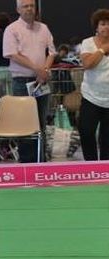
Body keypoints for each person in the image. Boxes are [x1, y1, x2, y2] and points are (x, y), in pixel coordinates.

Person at [3, 0, 56, 162]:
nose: (29, 9)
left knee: (41, 121)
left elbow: (52, 52)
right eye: (25, 6)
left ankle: (41, 159)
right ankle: (27, 161)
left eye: (32, 6)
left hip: (42, 81)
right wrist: (37, 69)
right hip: (21, 81)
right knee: (24, 122)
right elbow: (12, 54)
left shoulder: (44, 28)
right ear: (18, 9)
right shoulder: (12, 29)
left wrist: (44, 71)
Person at [78, 8, 109, 160]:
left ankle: (105, 169)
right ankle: (90, 165)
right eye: (103, 24)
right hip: (91, 96)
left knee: (107, 137)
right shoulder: (88, 43)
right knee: (86, 130)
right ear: (96, 27)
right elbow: (87, 64)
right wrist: (103, 49)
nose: (107, 27)